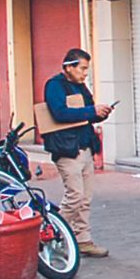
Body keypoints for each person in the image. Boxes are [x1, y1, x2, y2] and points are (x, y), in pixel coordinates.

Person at [43, 48, 114, 258]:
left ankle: (83, 240)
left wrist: (100, 114)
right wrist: (91, 112)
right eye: (82, 69)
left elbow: (87, 114)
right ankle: (54, 234)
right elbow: (60, 113)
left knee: (85, 199)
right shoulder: (54, 85)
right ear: (69, 67)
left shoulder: (81, 87)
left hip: (85, 147)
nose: (85, 74)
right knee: (74, 196)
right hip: (67, 150)